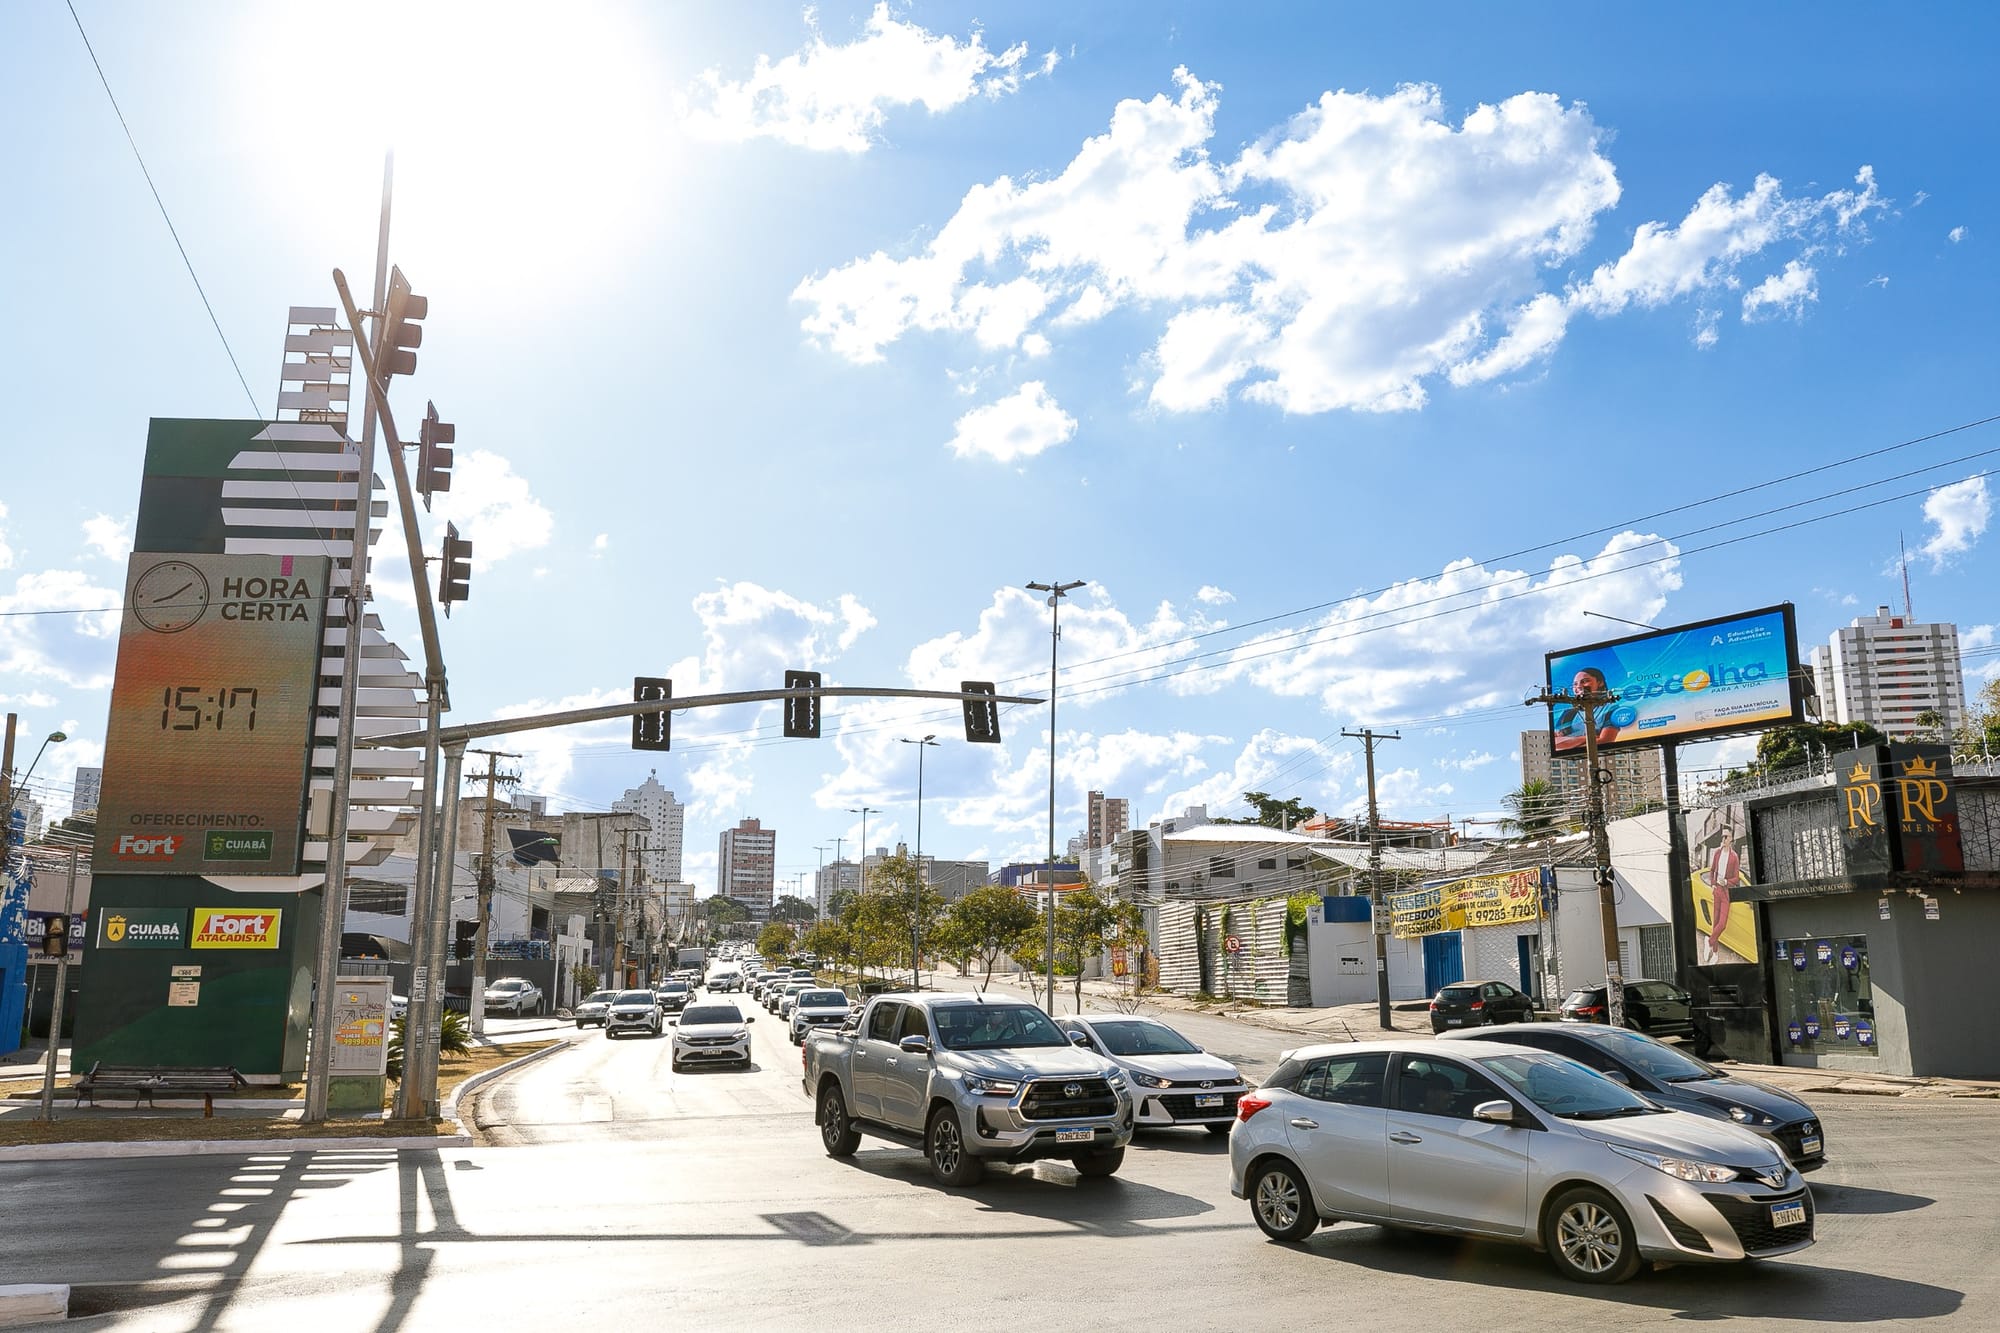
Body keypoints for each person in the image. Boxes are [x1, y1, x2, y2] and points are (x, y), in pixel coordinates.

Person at [1552, 665, 1621, 752]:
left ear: (1600, 683)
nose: (1579, 686)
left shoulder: (1610, 708)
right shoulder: (1568, 713)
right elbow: (1555, 743)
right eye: (1575, 684)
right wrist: (1589, 738)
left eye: (1585, 681)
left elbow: (1605, 741)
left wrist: (1569, 742)